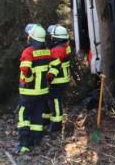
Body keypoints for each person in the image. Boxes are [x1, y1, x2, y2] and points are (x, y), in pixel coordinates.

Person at [15, 24, 57, 154]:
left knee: (23, 116)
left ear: (32, 37)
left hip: (28, 92)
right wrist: (49, 78)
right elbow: (56, 65)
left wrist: (28, 81)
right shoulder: (47, 51)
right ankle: (36, 140)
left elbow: (26, 69)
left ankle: (24, 144)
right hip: (43, 92)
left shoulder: (28, 51)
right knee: (37, 116)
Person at [43, 24, 72, 134]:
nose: (51, 38)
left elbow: (54, 67)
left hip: (57, 80)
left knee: (55, 101)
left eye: (52, 36)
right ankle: (49, 122)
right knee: (53, 101)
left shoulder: (57, 50)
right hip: (62, 79)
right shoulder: (65, 46)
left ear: (56, 37)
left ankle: (56, 125)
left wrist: (48, 79)